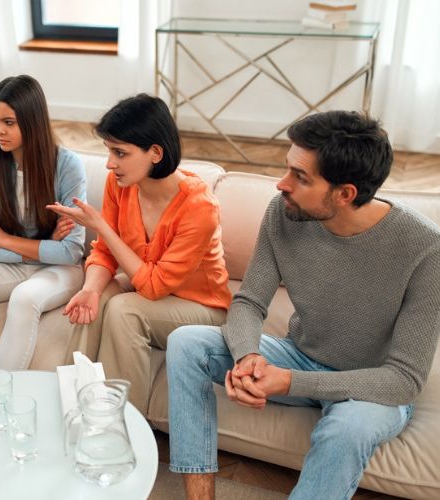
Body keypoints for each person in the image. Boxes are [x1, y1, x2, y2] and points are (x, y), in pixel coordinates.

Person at [166, 110, 440, 499]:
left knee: (350, 427)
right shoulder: (284, 212)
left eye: (301, 177)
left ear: (344, 194)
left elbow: (403, 380)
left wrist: (290, 381)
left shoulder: (426, 249)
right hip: (299, 355)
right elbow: (248, 301)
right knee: (186, 342)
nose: (281, 184)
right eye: (287, 168)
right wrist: (247, 357)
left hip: (370, 384)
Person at [48, 93, 232, 415]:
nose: (109, 163)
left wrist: (102, 226)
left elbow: (154, 285)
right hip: (149, 292)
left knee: (124, 309)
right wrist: (90, 290)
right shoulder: (118, 184)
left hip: (202, 308)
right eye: (109, 151)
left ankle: (123, 423)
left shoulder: (199, 208)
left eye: (120, 153)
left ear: (156, 153)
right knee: (94, 297)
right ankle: (72, 408)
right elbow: (105, 252)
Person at [0, 75, 87, 378]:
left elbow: (72, 252)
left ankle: (2, 393)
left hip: (63, 270)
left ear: (32, 121)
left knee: (25, 298)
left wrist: (2, 237)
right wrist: (45, 247)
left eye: (9, 122)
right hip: (26, 262)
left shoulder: (68, 166)